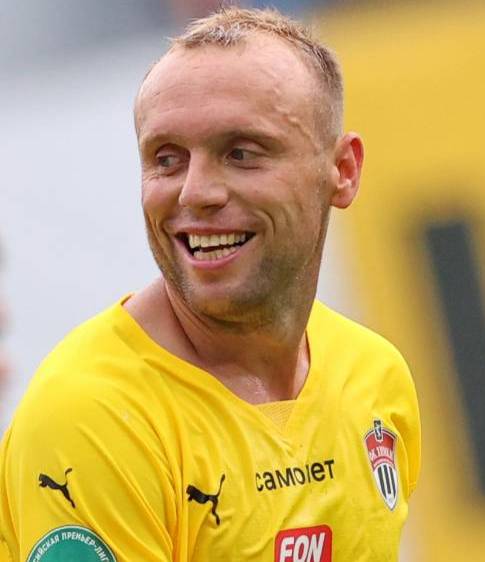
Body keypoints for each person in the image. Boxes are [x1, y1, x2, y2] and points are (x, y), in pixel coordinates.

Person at [0, 7, 420, 561]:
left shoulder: (376, 379)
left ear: (342, 171)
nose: (195, 192)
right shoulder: (95, 415)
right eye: (167, 159)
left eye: (241, 153)